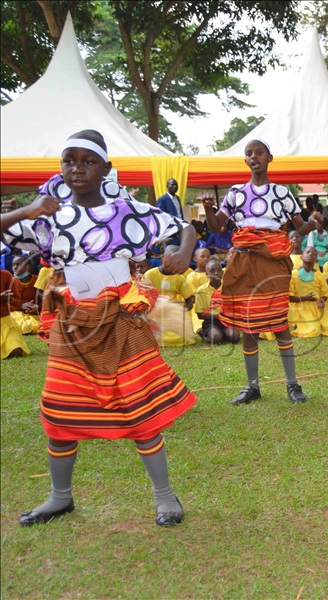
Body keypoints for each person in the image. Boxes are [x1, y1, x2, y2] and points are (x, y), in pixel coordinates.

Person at [2, 129, 197, 526]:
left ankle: (164, 496)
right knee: (59, 410)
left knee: (140, 410)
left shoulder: (128, 212)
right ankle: (60, 497)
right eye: (69, 161)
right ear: (60, 168)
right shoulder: (49, 215)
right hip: (73, 324)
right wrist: (26, 211)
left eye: (88, 161)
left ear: (106, 168)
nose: (77, 169)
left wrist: (182, 251)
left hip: (121, 321)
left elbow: (184, 227)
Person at [200, 139, 319, 405]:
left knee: (280, 324)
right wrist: (209, 210)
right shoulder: (235, 193)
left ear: (269, 158)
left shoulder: (282, 192)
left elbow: (298, 228)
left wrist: (310, 224)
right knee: (249, 325)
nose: (254, 157)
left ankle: (292, 385)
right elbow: (217, 227)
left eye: (259, 153)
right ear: (245, 161)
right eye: (249, 154)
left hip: (273, 262)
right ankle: (252, 386)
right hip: (244, 263)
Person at [291, 246, 328, 338]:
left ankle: (314, 324)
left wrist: (321, 299)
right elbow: (290, 297)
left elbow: (325, 293)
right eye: (308, 252)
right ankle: (300, 324)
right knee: (313, 331)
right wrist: (305, 298)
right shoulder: (294, 274)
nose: (310, 255)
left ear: (316, 260)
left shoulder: (319, 275)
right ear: (301, 257)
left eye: (314, 254)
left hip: (318, 307)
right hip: (302, 308)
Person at [193, 260, 240, 344]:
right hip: (210, 322)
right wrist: (221, 316)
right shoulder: (201, 290)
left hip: (227, 321)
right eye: (212, 271)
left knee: (235, 337)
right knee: (216, 338)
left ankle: (224, 333)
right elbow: (200, 315)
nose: (216, 273)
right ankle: (204, 333)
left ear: (222, 273)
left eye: (218, 270)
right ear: (207, 274)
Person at [1, 268, 29, 358]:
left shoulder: (5, 275)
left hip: (6, 322)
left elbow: (18, 302)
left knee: (15, 351)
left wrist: (10, 299)